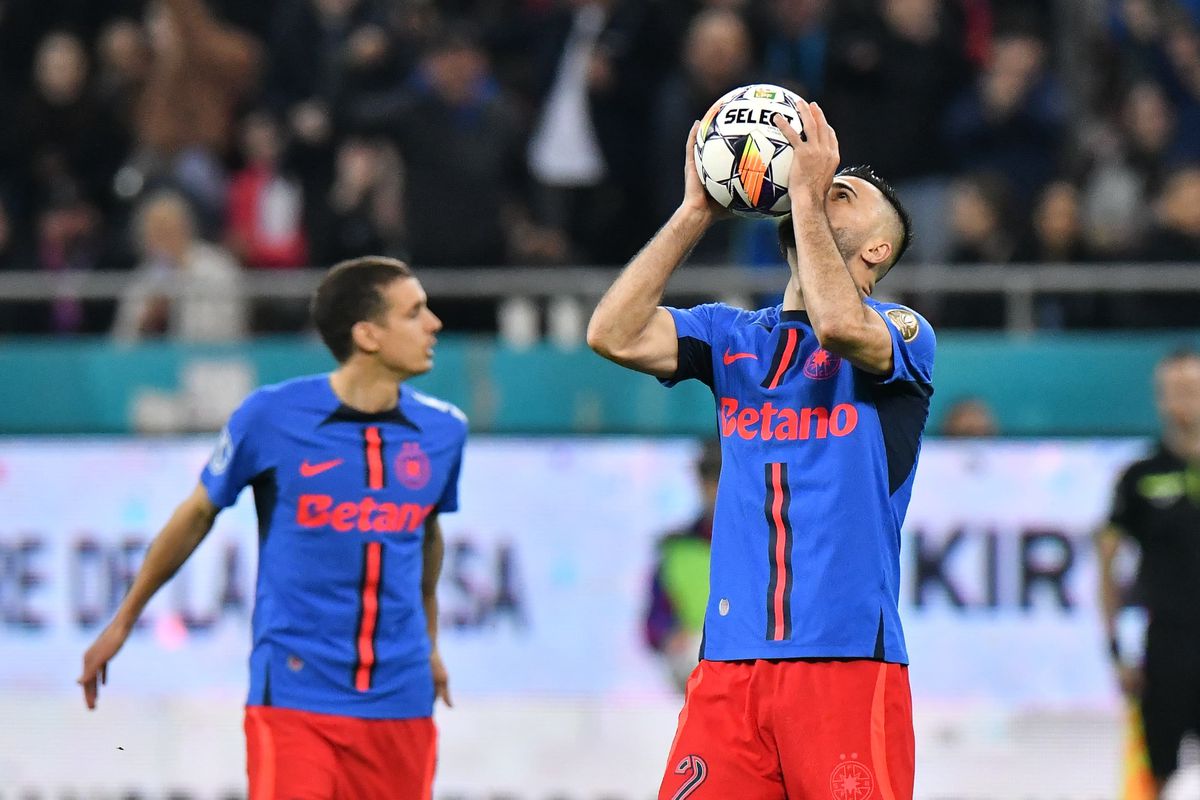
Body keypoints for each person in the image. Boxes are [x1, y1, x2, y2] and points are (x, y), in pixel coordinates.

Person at [588, 101, 933, 798]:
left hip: (842, 665)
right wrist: (695, 212)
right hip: (730, 667)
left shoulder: (901, 331)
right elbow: (612, 333)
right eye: (818, 182)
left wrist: (804, 192)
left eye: (842, 193)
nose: (813, 183)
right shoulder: (732, 337)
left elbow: (836, 323)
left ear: (876, 254)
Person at [81, 256, 466, 800]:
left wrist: (429, 646)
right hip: (295, 692)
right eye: (415, 313)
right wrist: (123, 621)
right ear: (368, 335)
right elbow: (196, 514)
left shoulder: (444, 431)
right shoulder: (270, 416)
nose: (434, 325)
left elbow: (426, 536)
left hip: (401, 696)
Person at [1096, 349, 1200, 799]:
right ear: (1161, 400)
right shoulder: (1139, 477)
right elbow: (1106, 563)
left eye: (1193, 390)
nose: (1185, 402)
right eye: (1175, 392)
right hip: (1167, 646)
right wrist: (1117, 649)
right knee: (1155, 771)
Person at [644, 440, 720, 692]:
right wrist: (669, 635)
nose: (716, 487)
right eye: (710, 476)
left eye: (722, 475)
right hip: (694, 674)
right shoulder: (677, 548)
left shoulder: (771, 543)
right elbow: (654, 620)